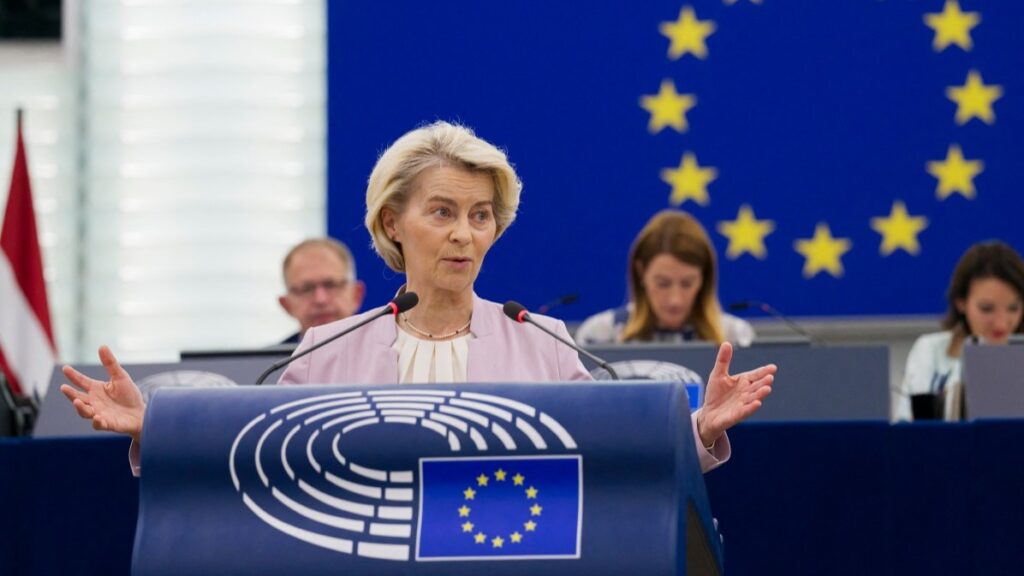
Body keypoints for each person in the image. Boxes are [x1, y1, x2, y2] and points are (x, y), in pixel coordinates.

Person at [60, 121, 775, 475]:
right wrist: (154, 432)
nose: (465, 234)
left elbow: (613, 459)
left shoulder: (547, 344)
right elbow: (260, 463)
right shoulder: (324, 349)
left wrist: (700, 431)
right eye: (442, 212)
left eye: (480, 214)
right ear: (390, 224)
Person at [575, 209, 754, 346]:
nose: (675, 299)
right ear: (641, 272)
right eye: (663, 283)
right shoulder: (600, 335)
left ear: (704, 278)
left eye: (687, 283)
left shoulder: (735, 337)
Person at [893, 241, 1024, 421]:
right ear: (961, 302)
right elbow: (907, 429)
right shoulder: (930, 351)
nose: (1001, 324)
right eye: (987, 309)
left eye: (1013, 308)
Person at [277, 237, 365, 344]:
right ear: (286, 305)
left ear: (356, 295)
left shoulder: (386, 355)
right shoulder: (269, 360)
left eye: (330, 285)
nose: (320, 299)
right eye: (306, 289)